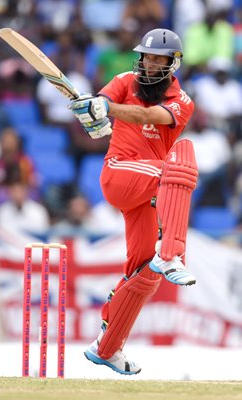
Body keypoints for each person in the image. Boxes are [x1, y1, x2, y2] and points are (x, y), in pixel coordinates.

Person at [69, 28, 198, 375]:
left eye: (159, 58)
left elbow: (142, 116)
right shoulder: (124, 80)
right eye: (147, 56)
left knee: (144, 274)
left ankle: (106, 348)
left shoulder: (182, 102)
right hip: (119, 173)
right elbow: (98, 112)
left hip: (147, 188)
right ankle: (171, 253)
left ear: (173, 63)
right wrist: (91, 113)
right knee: (175, 166)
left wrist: (106, 108)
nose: (151, 63)